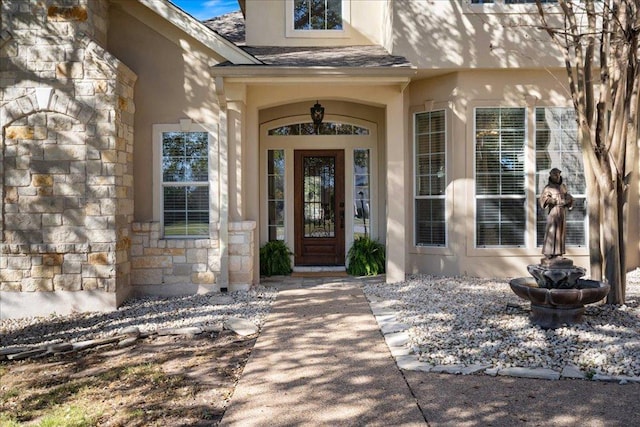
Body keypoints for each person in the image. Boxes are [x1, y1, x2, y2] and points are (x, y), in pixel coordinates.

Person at [540, 168, 573, 260]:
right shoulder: (548, 188)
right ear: (551, 175)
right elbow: (543, 199)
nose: (557, 176)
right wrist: (552, 200)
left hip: (561, 212)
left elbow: (569, 197)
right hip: (553, 211)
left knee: (560, 232)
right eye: (555, 175)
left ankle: (559, 253)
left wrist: (567, 200)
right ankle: (549, 252)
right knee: (552, 230)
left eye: (558, 174)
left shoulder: (563, 187)